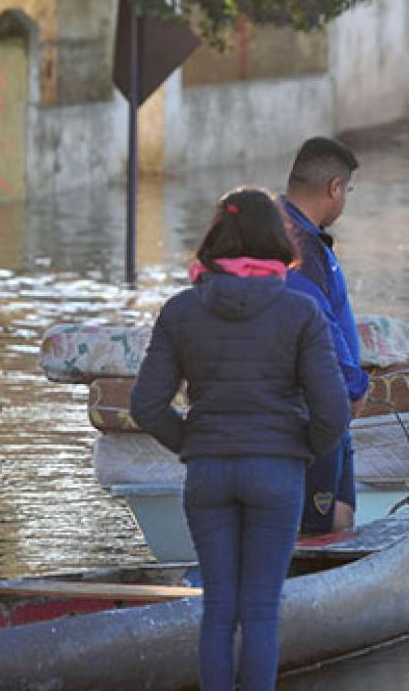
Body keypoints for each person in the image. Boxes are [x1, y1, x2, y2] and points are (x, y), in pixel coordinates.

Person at [131, 187, 350, 691]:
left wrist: (192, 441)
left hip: (207, 472)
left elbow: (146, 405)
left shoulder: (181, 311)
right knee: (260, 611)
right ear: (278, 238)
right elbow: (333, 411)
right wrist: (300, 450)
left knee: (218, 609)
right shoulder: (300, 311)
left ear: (215, 239)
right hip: (277, 472)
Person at [281, 136, 370, 535]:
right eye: (346, 191)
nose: (344, 202)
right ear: (335, 187)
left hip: (331, 407)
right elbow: (317, 324)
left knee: (340, 515)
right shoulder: (295, 245)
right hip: (316, 402)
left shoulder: (307, 239)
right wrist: (354, 385)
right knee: (316, 528)